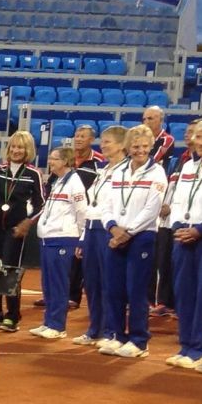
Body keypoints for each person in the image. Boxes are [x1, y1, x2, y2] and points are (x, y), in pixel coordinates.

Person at [98, 124, 168, 360]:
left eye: (145, 146)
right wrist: (113, 228)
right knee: (114, 289)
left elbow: (153, 208)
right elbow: (105, 204)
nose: (140, 150)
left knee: (136, 290)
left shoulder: (157, 172)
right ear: (128, 147)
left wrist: (128, 232)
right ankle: (116, 335)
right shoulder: (118, 172)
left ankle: (139, 340)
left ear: (151, 147)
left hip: (142, 237)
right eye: (136, 146)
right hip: (116, 235)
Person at [163, 122, 202, 372]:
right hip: (182, 236)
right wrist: (179, 225)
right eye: (197, 137)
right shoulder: (188, 166)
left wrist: (199, 230)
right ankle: (186, 346)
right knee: (183, 293)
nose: (199, 142)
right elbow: (178, 200)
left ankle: (201, 349)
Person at [0, 130, 45, 332]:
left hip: (16, 229)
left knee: (10, 270)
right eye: (13, 146)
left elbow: (41, 204)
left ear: (28, 150)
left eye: (20, 147)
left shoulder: (33, 174)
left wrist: (27, 223)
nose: (16, 150)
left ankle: (12, 315)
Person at [74, 126, 128, 348]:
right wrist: (83, 237)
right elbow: (90, 205)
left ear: (122, 145)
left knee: (110, 283)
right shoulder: (103, 171)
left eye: (108, 142)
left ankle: (111, 330)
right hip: (92, 229)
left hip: (110, 229)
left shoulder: (126, 171)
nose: (102, 146)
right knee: (93, 283)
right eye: (103, 142)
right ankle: (94, 329)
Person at [29, 144, 86, 340]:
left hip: (63, 239)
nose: (50, 161)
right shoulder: (58, 181)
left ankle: (58, 325)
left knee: (59, 284)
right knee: (49, 284)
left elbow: (82, 213)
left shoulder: (74, 183)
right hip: (48, 238)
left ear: (65, 161)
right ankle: (48, 322)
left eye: (54, 158)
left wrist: (81, 239)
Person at [144, 106, 178, 317]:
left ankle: (158, 300)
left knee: (158, 257)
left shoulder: (166, 140)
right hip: (146, 193)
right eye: (145, 118)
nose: (147, 122)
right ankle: (145, 298)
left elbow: (151, 159)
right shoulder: (141, 140)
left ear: (160, 120)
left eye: (151, 118)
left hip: (160, 192)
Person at [67, 125, 102, 309]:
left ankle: (73, 296)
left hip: (86, 214)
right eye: (76, 135)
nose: (78, 139)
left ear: (91, 140)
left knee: (79, 256)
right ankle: (59, 294)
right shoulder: (68, 158)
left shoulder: (99, 162)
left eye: (83, 136)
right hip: (65, 213)